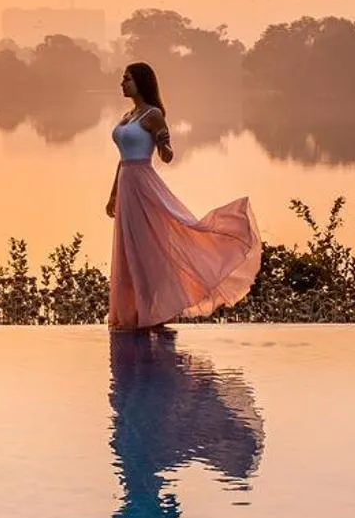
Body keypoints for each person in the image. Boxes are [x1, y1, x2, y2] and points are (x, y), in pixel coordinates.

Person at [105, 62, 261, 329]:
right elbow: (122, 161)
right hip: (127, 185)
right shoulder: (127, 115)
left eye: (127, 79)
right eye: (123, 79)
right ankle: (133, 313)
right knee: (128, 251)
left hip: (143, 185)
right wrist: (113, 195)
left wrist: (164, 144)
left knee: (148, 249)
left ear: (141, 82)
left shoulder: (152, 115)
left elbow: (166, 155)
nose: (122, 83)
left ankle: (154, 313)